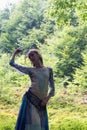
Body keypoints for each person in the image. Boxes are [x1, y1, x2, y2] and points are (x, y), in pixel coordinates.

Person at [9, 48, 55, 130]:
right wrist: (15, 53)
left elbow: (52, 88)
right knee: (34, 124)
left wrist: (46, 99)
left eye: (33, 55)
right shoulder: (30, 70)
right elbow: (12, 63)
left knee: (40, 125)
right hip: (31, 99)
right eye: (29, 56)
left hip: (42, 101)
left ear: (38, 55)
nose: (31, 57)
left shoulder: (49, 70)